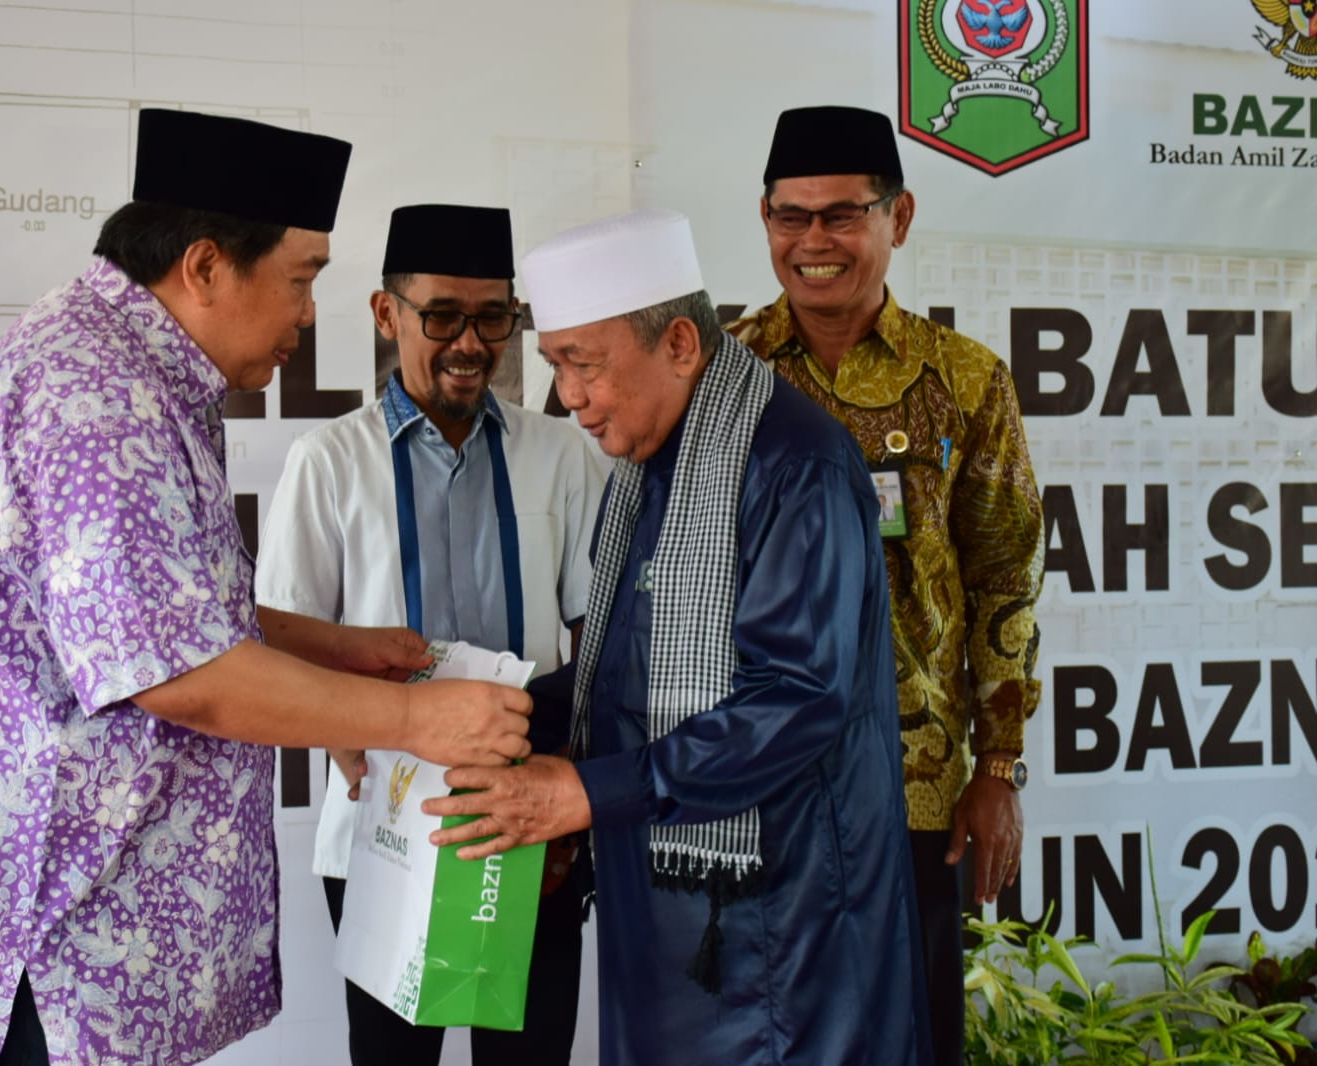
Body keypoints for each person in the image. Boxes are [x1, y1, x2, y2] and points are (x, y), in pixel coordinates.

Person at [0, 109, 533, 1066]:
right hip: (30, 966)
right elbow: (180, 674)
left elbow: (150, 608)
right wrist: (416, 723)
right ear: (204, 266)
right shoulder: (95, 399)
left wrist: (335, 647)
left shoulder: (125, 368)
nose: (308, 315)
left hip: (50, 946)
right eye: (301, 279)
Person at [424, 210, 932, 1066]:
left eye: (583, 366)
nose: (568, 398)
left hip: (782, 921)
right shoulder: (648, 469)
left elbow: (797, 698)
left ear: (682, 345)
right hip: (660, 903)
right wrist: (489, 717)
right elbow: (622, 678)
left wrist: (586, 795)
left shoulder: (791, 465)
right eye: (555, 367)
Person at [725, 105, 1045, 1066]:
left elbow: (1004, 582)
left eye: (841, 215)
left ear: (897, 218)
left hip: (914, 789)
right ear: (765, 219)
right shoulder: (717, 374)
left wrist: (995, 771)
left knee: (913, 1034)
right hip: (751, 781)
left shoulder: (966, 381)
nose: (813, 242)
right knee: (762, 1033)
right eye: (791, 216)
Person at [256, 203, 605, 1065]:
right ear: (387, 314)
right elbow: (282, 645)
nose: (469, 342)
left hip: (533, 821)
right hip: (381, 819)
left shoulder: (561, 455)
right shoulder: (329, 461)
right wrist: (343, 733)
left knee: (527, 1056)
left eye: (493, 317)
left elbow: (594, 638)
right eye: (441, 315)